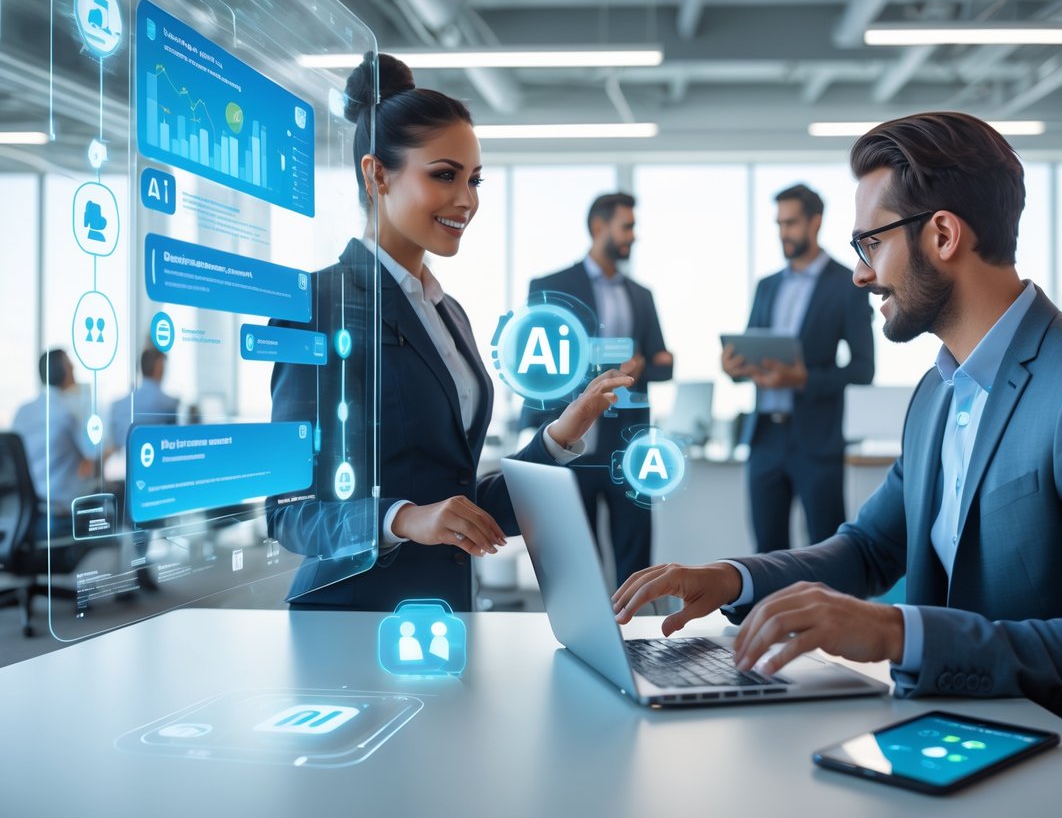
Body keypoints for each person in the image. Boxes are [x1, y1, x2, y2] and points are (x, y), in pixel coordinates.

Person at [614, 112, 1062, 760]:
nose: (860, 273)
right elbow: (865, 551)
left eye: (871, 243)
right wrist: (731, 578)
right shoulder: (936, 392)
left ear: (942, 234)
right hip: (954, 737)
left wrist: (896, 632)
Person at [267, 53, 631, 612]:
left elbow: (463, 506)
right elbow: (288, 512)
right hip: (353, 617)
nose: (468, 200)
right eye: (444, 175)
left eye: (474, 179)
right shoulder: (320, 303)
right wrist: (403, 519)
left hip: (442, 612)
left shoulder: (449, 313)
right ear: (377, 174)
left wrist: (561, 435)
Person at [520, 193, 673, 587]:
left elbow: (662, 362)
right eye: (627, 226)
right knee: (578, 559)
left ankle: (637, 641)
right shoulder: (551, 286)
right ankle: (586, 639)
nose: (632, 236)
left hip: (629, 447)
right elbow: (536, 366)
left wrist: (642, 366)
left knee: (635, 556)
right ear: (598, 227)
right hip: (575, 444)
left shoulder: (642, 295)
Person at [722, 184, 874, 552]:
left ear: (815, 222)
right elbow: (752, 355)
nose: (783, 233)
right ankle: (767, 614)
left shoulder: (847, 285)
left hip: (816, 441)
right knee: (766, 552)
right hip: (764, 440)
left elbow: (863, 370)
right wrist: (734, 367)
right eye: (778, 223)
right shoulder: (767, 286)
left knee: (826, 551)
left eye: (790, 223)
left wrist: (802, 378)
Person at [11, 349, 99, 539]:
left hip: (26, 517)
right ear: (63, 372)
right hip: (61, 516)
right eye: (70, 364)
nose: (74, 367)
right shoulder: (68, 411)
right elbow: (91, 459)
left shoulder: (22, 411)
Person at [108, 347, 180, 451]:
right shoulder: (169, 404)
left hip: (122, 462)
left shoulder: (117, 405)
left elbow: (113, 444)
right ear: (159, 368)